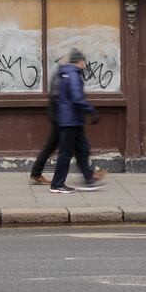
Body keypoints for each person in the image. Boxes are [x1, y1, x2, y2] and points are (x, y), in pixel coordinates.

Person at [49, 48, 105, 194]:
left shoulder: (67, 73)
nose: (85, 64)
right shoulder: (73, 75)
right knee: (66, 153)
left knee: (83, 150)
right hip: (70, 121)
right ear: (79, 61)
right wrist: (91, 110)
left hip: (73, 120)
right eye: (84, 61)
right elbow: (76, 98)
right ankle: (57, 184)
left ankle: (88, 179)